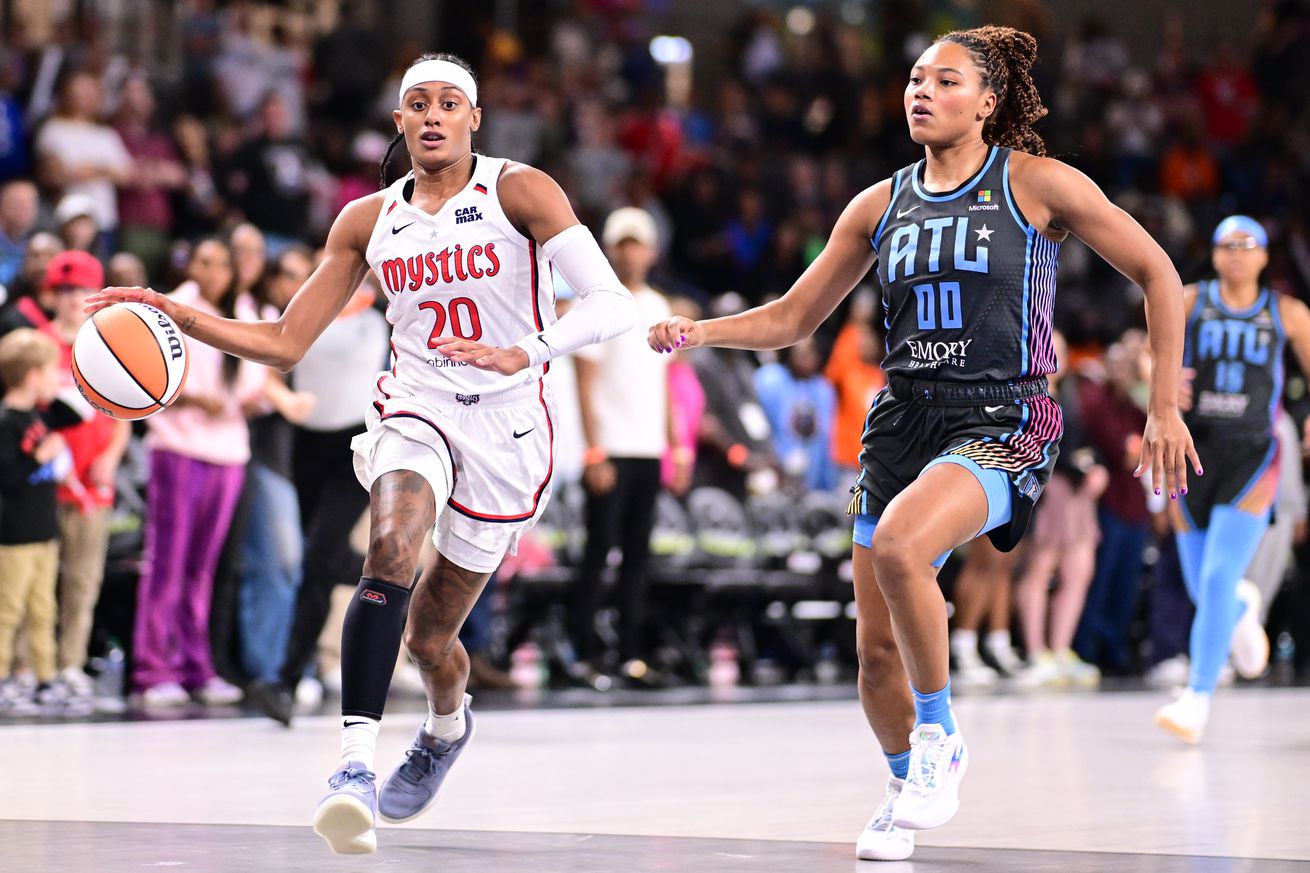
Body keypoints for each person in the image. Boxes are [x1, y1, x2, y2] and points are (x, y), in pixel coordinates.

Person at [649, 25, 1198, 862]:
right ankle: (904, 784)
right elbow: (794, 318)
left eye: (945, 80)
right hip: (903, 420)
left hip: (1004, 416)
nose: (921, 91)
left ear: (986, 101)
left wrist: (1163, 404)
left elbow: (1159, 272)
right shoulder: (878, 204)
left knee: (905, 542)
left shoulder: (1037, 183)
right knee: (874, 659)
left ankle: (941, 736)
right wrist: (699, 331)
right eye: (913, 78)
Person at [89, 53, 635, 855]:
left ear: (474, 118)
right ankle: (352, 769)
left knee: (430, 639)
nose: (435, 115)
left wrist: (528, 351)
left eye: (451, 102)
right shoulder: (367, 219)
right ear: (401, 121)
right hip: (417, 404)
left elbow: (611, 301)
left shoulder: (521, 189)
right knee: (386, 550)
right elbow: (282, 342)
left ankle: (446, 727)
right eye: (419, 103)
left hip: (507, 426)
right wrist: (174, 311)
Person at [1155, 216, 1310, 743]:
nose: (1237, 254)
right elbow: (1152, 358)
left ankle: (1197, 697)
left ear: (1265, 256)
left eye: (1247, 246)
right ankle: (1243, 608)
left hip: (1253, 456)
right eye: (1226, 245)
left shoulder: (1286, 313)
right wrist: (1164, 384)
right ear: (1214, 254)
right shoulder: (1192, 299)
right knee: (1206, 588)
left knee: (1218, 578)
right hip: (1190, 451)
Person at [569, 206, 681, 688]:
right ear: (610, 250)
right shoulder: (598, 303)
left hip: (648, 449)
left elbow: (666, 382)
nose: (631, 252)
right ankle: (583, 655)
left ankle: (630, 654)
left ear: (652, 251)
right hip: (611, 449)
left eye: (638, 243)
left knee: (637, 557)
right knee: (597, 554)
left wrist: (675, 445)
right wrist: (593, 451)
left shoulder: (659, 306)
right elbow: (584, 382)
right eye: (623, 243)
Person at [37, 251, 131, 698]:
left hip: (92, 484)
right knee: (35, 580)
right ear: (51, 294)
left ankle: (70, 663)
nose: (73, 298)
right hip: (41, 485)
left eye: (81, 290)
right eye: (65, 290)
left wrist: (112, 456)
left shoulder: (107, 344)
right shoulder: (35, 346)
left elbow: (127, 411)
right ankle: (31, 667)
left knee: (82, 578)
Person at [0, 329, 75, 710]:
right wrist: (39, 458)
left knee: (44, 610)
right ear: (31, 375)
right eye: (51, 371)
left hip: (44, 529)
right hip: (14, 534)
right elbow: (6, 474)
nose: (57, 377)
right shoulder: (7, 421)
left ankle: (45, 679)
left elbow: (75, 416)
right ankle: (3, 677)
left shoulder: (38, 416)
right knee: (7, 609)